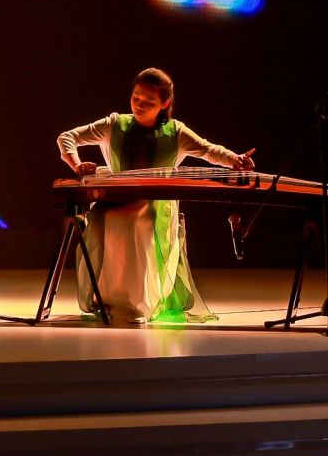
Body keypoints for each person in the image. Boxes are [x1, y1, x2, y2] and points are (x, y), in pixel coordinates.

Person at [56, 67, 255, 323]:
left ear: (165, 103)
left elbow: (209, 150)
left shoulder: (176, 132)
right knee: (110, 218)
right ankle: (112, 300)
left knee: (135, 221)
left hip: (156, 205)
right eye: (136, 97)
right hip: (115, 200)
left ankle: (139, 304)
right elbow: (67, 137)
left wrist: (234, 159)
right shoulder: (115, 125)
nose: (139, 105)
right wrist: (77, 165)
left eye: (149, 102)